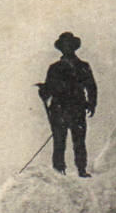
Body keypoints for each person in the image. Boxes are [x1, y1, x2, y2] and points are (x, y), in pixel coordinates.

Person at [37, 32, 97, 179]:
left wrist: (92, 103)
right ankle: (59, 170)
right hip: (59, 110)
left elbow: (91, 86)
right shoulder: (54, 68)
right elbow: (49, 89)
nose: (67, 48)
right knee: (59, 142)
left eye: (70, 45)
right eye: (65, 45)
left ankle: (81, 169)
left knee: (79, 141)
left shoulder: (83, 66)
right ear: (62, 48)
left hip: (77, 109)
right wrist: (43, 91)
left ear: (74, 47)